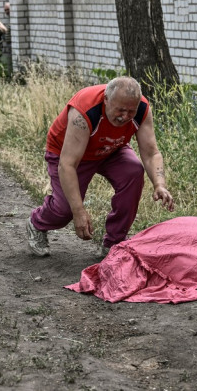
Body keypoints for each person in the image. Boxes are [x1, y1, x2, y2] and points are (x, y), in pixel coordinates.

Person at [25, 76, 174, 258]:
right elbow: (68, 164)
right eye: (120, 110)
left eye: (130, 112)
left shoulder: (142, 109)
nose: (125, 117)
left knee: (133, 171)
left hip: (110, 148)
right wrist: (78, 211)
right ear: (106, 100)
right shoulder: (86, 110)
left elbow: (151, 153)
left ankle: (114, 242)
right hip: (69, 154)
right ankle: (37, 223)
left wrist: (159, 184)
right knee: (65, 210)